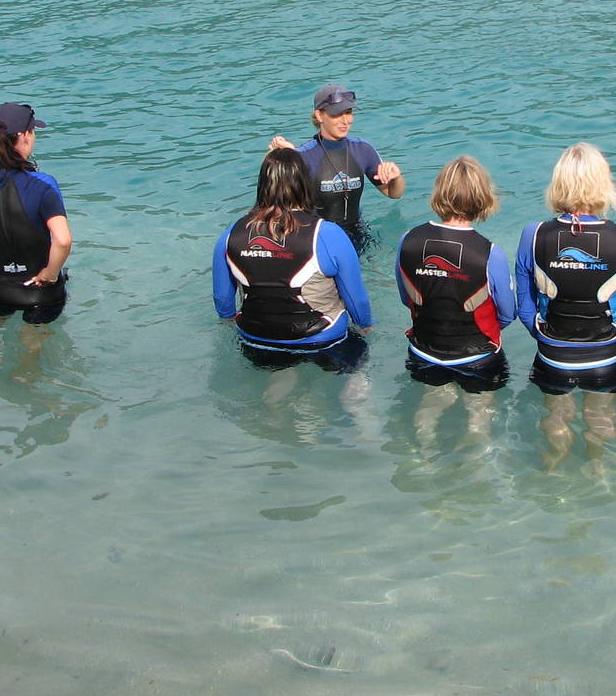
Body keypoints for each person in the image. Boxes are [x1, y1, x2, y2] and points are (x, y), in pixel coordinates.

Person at [515, 143, 616, 467]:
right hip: (606, 354)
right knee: (600, 419)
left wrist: (540, 331)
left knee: (555, 418)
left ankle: (553, 467)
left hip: (553, 354)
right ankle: (597, 469)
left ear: (559, 183)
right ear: (603, 183)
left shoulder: (534, 234)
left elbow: (523, 301)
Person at [213, 148, 373, 373]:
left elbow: (223, 301)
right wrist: (365, 326)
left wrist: (231, 319)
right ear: (305, 184)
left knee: (279, 373)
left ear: (263, 184)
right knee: (358, 350)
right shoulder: (326, 233)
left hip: (256, 340)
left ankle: (277, 395)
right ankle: (356, 395)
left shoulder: (231, 234)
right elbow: (357, 301)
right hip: (322, 340)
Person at [396, 157, 515, 449]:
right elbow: (508, 313)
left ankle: (423, 457)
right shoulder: (490, 254)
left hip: (424, 353)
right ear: (482, 197)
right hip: (478, 359)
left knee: (429, 407)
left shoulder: (407, 240)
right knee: (479, 417)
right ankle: (473, 467)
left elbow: (405, 298)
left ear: (440, 193)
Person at [0, 102, 72, 325]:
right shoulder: (44, 185)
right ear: (25, 136)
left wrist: (5, 245)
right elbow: (63, 240)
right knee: (31, 346)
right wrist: (49, 275)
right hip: (40, 292)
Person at [268, 84, 403, 244]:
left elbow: (393, 194)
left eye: (348, 112)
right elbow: (277, 204)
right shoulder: (303, 155)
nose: (345, 121)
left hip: (357, 234)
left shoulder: (363, 150)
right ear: (319, 115)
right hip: (316, 238)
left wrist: (396, 178)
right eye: (337, 114)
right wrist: (283, 159)